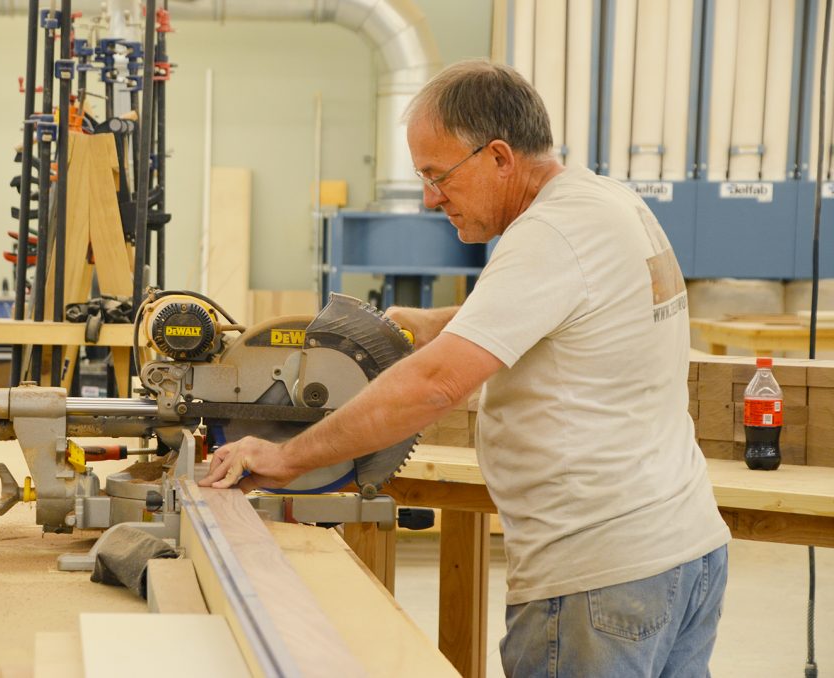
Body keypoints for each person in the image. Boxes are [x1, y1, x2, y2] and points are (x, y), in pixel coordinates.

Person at [200, 60, 731, 677]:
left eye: (436, 174)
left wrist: (286, 457)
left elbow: (435, 385)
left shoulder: (549, 234)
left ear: (500, 157)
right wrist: (443, 323)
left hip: (597, 579)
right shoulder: (603, 200)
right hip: (680, 553)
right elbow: (568, 310)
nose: (429, 197)